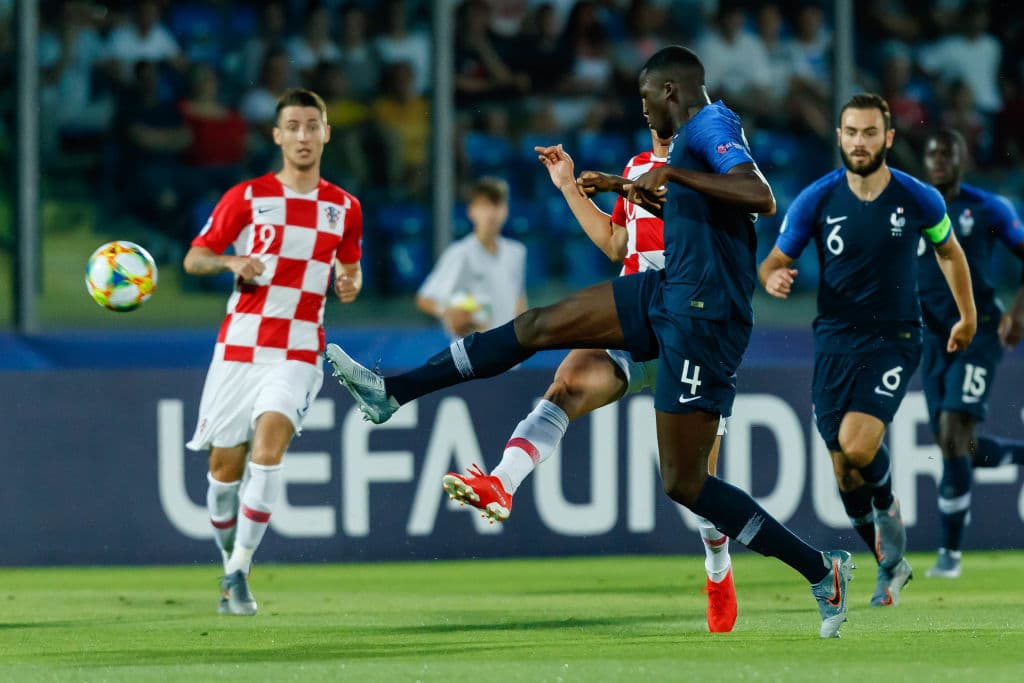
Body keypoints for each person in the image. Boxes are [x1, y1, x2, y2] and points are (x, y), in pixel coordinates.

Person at [329, 46, 855, 638]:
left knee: (687, 484)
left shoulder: (711, 124)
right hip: (664, 291)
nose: (643, 109)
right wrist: (616, 187)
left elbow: (760, 197)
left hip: (707, 320)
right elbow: (670, 216)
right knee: (539, 327)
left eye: (646, 98)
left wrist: (673, 175)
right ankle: (392, 393)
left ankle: (820, 568)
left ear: (671, 92)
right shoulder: (677, 147)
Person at [442, 129, 738, 633]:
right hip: (632, 315)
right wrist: (567, 187)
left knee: (695, 488)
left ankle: (717, 568)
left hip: (691, 329)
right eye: (645, 109)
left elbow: (708, 227)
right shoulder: (638, 160)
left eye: (659, 103)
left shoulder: (717, 168)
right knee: (565, 385)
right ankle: (501, 483)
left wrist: (622, 185)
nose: (652, 116)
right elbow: (615, 242)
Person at [758, 93, 976, 608]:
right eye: (851, 132)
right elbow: (772, 260)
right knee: (843, 468)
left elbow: (950, 251)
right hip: (834, 341)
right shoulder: (816, 199)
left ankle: (888, 506)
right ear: (839, 137)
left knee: (858, 448)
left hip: (895, 338)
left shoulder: (919, 197)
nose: (860, 142)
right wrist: (775, 277)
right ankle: (890, 564)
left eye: (870, 133)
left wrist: (967, 316)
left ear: (888, 138)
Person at [183, 88, 363, 616]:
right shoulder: (246, 197)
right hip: (238, 351)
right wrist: (228, 264)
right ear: (278, 135)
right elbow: (195, 257)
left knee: (269, 447)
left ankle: (239, 572)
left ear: (326, 133)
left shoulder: (345, 208)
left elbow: (350, 269)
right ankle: (227, 563)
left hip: (300, 350)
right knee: (223, 471)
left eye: (313, 125)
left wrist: (350, 283)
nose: (304, 136)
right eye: (294, 126)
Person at [917, 129, 1024, 578]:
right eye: (933, 153)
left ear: (964, 159)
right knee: (957, 445)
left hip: (978, 335)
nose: (940, 160)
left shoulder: (988, 207)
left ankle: (950, 555)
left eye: (948, 153)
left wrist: (1017, 312)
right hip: (930, 340)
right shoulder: (910, 206)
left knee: (952, 430)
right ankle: (1016, 454)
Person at [415, 177, 527, 339]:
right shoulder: (460, 253)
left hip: (509, 355)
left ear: (505, 210)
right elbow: (424, 298)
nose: (491, 213)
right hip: (473, 354)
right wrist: (448, 311)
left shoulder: (516, 252)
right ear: (471, 211)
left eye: (496, 205)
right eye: (484, 205)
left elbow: (519, 301)